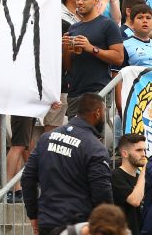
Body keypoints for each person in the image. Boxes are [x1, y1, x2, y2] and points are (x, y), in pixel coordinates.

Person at [22, 92, 113, 235]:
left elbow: (28, 178)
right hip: (79, 227)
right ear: (97, 113)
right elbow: (102, 193)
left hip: (48, 222)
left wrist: (33, 214)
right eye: (103, 114)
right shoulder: (95, 148)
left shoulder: (46, 138)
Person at [112, 133, 146, 235]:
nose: (143, 154)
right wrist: (146, 170)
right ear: (125, 154)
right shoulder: (115, 175)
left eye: (144, 150)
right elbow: (134, 201)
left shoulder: (140, 178)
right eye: (138, 150)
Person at [123, 4, 152, 68]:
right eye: (140, 17)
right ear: (132, 23)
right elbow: (117, 74)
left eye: (148, 18)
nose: (145, 21)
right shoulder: (124, 45)